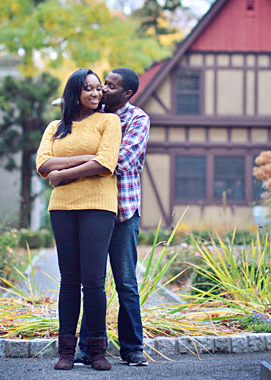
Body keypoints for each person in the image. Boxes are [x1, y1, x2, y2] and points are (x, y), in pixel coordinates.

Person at [36, 68, 122, 371]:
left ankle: (98, 351)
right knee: (69, 281)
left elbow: (105, 162)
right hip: (62, 208)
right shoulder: (55, 127)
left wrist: (61, 174)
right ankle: (66, 352)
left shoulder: (109, 121)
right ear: (75, 92)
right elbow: (43, 162)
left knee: (94, 281)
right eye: (89, 88)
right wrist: (79, 161)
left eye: (99, 88)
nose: (96, 93)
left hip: (98, 206)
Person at [75, 68, 151, 367]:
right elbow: (73, 143)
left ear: (127, 93)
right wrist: (88, 158)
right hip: (92, 207)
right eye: (103, 83)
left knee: (126, 284)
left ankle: (132, 349)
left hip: (122, 211)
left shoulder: (138, 120)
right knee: (92, 283)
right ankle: (87, 348)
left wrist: (79, 160)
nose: (103, 89)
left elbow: (119, 162)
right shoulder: (92, 114)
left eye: (111, 85)